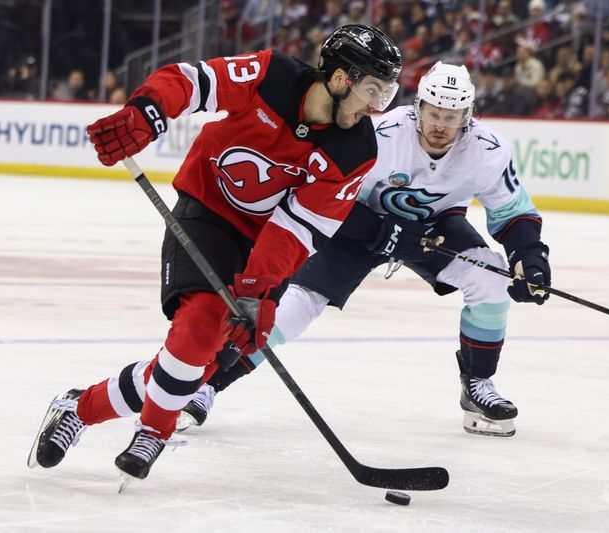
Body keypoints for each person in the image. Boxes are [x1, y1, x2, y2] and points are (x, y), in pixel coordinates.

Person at [27, 25, 402, 482]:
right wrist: (147, 112)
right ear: (342, 79)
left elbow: (301, 226)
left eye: (387, 93)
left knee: (202, 360)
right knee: (202, 325)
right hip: (207, 213)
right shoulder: (271, 75)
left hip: (264, 243)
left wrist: (258, 287)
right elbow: (189, 81)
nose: (377, 106)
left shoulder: (358, 148)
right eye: (372, 90)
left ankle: (79, 407)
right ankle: (155, 432)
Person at [178, 62, 552, 438]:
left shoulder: (488, 150)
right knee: (294, 307)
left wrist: (529, 257)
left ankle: (479, 387)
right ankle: (209, 383)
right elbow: (328, 195)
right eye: (434, 114)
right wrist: (379, 230)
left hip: (432, 230)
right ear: (418, 107)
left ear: (467, 116)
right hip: (353, 226)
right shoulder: (381, 134)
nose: (441, 125)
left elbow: (512, 211)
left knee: (491, 278)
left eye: (452, 117)